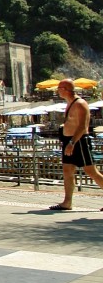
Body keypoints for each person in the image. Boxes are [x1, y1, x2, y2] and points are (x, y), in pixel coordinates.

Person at [50, 78, 103, 210]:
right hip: (69, 141)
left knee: (91, 171)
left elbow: (83, 126)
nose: (57, 91)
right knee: (67, 170)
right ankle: (67, 202)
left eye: (59, 88)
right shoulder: (69, 103)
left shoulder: (80, 104)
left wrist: (72, 142)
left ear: (65, 90)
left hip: (79, 141)